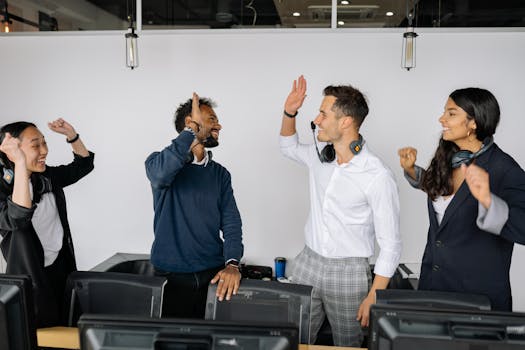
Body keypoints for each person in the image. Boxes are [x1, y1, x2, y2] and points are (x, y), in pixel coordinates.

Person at [279, 75, 402, 346]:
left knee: (349, 343)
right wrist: (290, 111)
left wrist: (374, 296)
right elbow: (287, 147)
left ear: (345, 122)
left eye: (323, 113)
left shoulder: (377, 176)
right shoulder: (320, 154)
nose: (317, 120)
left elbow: (391, 245)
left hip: (349, 271)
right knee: (291, 339)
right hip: (307, 263)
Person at [398, 87, 525, 311]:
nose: (441, 119)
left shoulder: (505, 169)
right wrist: (411, 171)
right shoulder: (451, 157)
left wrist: (487, 200)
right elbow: (442, 195)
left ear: (473, 122)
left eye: (451, 113)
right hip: (434, 289)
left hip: (477, 299)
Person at [145, 93, 243, 319]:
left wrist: (232, 264)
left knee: (211, 341)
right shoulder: (159, 162)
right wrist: (191, 131)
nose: (218, 125)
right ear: (191, 124)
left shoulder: (220, 174)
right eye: (211, 119)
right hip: (170, 276)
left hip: (213, 275)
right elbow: (160, 176)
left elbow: (231, 223)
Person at [0, 119, 94, 327]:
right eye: (35, 145)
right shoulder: (5, 187)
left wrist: (72, 134)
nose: (44, 150)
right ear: (13, 151)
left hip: (60, 267)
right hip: (29, 277)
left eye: (44, 143)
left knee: (67, 324)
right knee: (38, 333)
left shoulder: (45, 176)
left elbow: (83, 165)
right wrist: (21, 165)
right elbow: (18, 217)